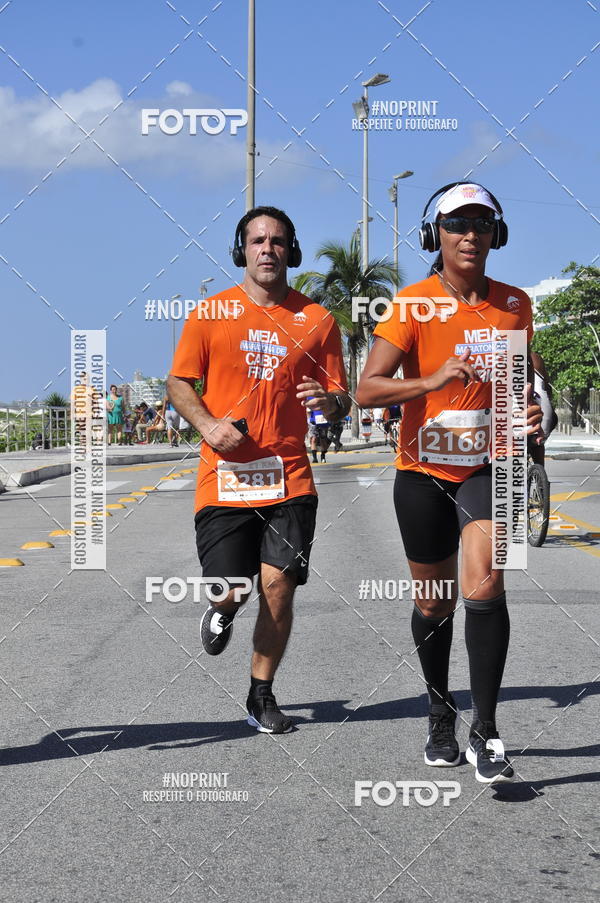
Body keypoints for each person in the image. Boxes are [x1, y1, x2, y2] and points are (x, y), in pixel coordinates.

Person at [357, 182, 546, 784]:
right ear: (433, 235)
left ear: (497, 234)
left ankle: (486, 731)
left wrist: (540, 409)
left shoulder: (516, 304)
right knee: (433, 600)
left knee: (486, 586)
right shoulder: (411, 306)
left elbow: (531, 381)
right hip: (421, 473)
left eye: (482, 224)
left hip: (493, 466)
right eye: (457, 224)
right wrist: (431, 378)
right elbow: (367, 389)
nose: (470, 235)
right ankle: (440, 710)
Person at [167, 205, 350, 734]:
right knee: (232, 586)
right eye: (257, 241)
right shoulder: (210, 313)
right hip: (223, 477)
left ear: (290, 252)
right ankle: (222, 608)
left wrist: (332, 404)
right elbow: (179, 383)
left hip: (289, 475)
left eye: (277, 241)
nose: (267, 248)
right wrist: (206, 424)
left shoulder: (316, 321)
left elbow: (338, 395)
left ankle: (261, 692)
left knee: (279, 584)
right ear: (241, 250)